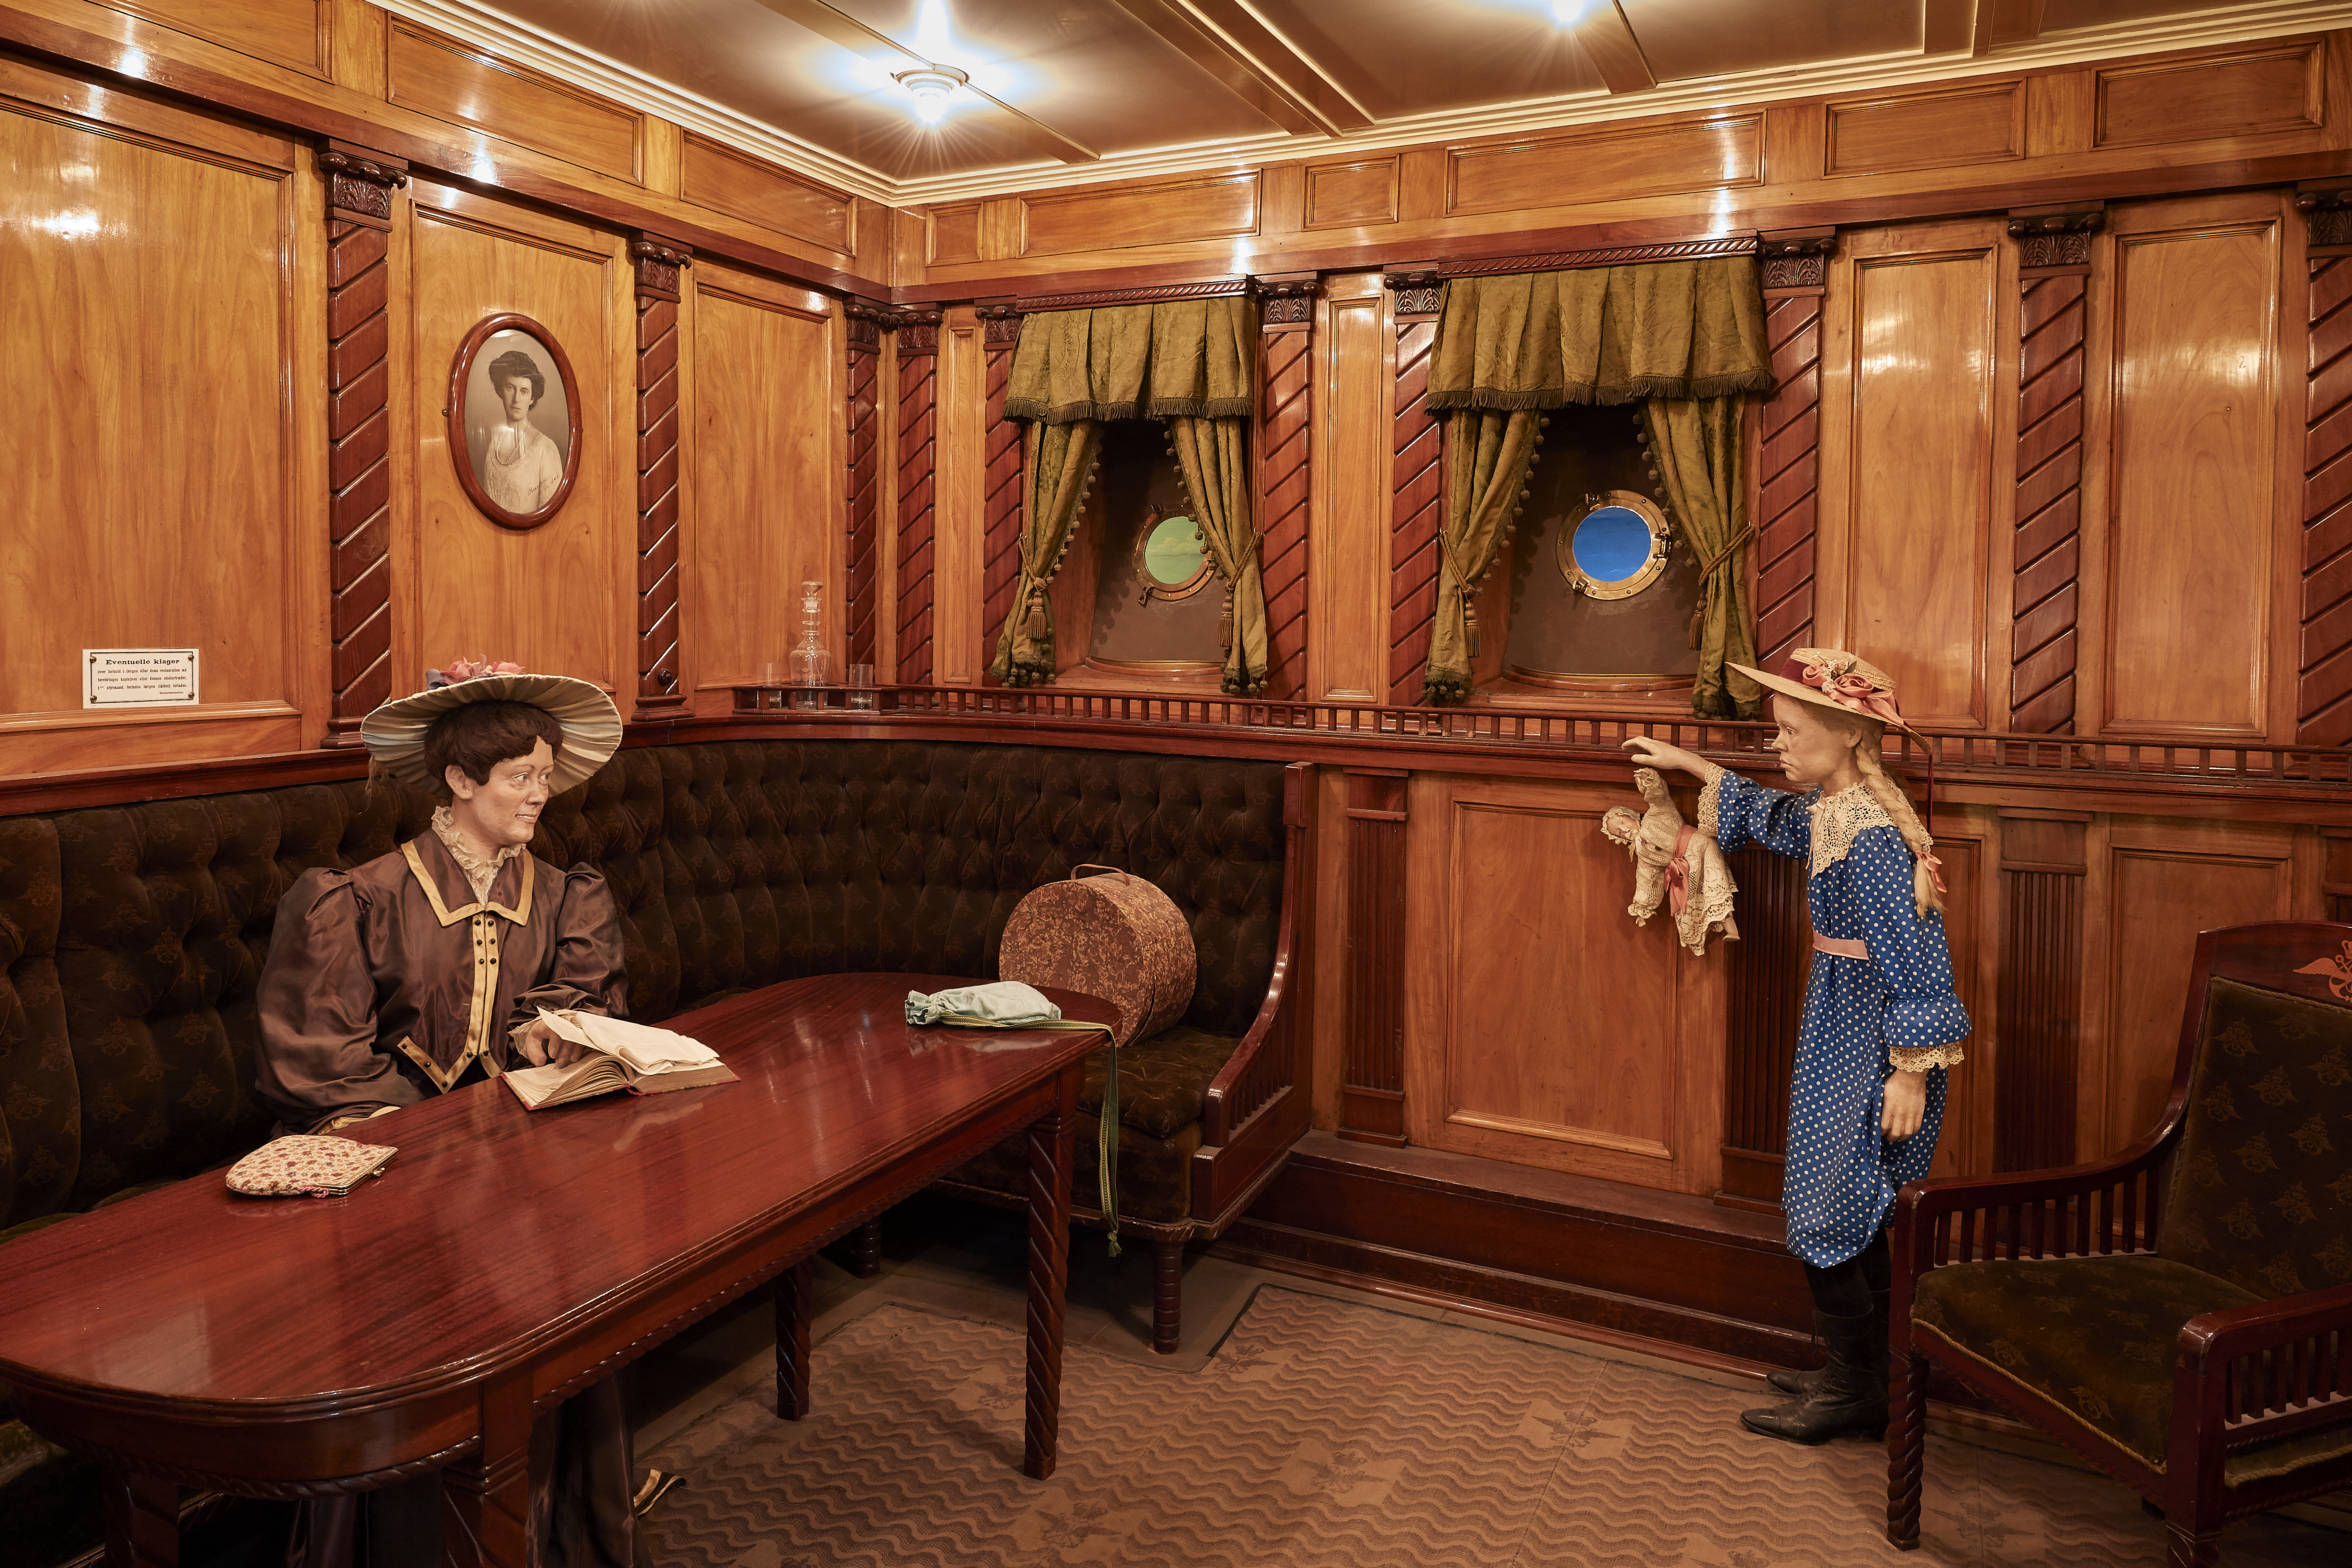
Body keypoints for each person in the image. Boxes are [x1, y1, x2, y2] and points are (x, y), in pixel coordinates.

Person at [255, 661, 646, 1567]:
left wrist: (552, 1035)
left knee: (576, 1258)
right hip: (388, 1167)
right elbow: (323, 1068)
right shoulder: (356, 897)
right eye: (519, 777)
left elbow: (575, 1002)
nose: (539, 794)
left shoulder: (564, 892)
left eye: (545, 776)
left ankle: (546, 1534)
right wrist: (441, 1152)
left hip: (521, 1159)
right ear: (460, 780)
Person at [1623, 648, 1968, 1445]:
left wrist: (1910, 1071)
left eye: (1789, 731)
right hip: (1842, 1019)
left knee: (1826, 1203)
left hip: (1873, 1036)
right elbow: (1773, 819)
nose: (1775, 744)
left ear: (1847, 734)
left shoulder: (1872, 838)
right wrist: (1688, 764)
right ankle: (1867, 1376)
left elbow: (1918, 957)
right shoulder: (1832, 810)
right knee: (1845, 1203)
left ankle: (1855, 1386)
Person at [480, 347, 566, 514]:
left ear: (532, 398)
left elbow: (552, 518)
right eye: (510, 388)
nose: (516, 399)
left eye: (524, 391)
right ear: (500, 390)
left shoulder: (545, 450)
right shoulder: (493, 444)